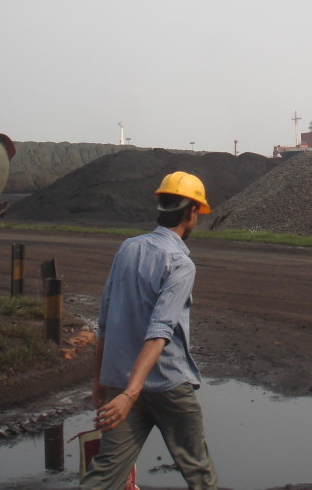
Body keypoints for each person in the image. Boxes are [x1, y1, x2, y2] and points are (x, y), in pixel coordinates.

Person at [81, 171, 219, 490]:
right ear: (191, 213)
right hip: (166, 385)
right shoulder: (180, 264)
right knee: (200, 474)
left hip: (121, 383)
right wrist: (130, 393)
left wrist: (102, 383)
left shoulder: (128, 248)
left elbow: (104, 319)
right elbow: (159, 332)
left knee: (104, 475)